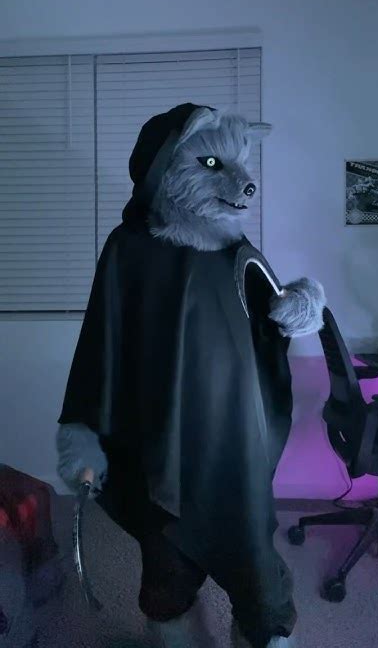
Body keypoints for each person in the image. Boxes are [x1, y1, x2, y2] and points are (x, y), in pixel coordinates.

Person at [56, 104, 326, 647]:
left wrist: (304, 302)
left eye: (241, 165)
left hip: (233, 440)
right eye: (212, 163)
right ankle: (173, 624)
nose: (242, 183)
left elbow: (274, 315)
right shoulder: (129, 249)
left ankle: (265, 630)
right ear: (163, 168)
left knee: (253, 559)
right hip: (156, 440)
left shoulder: (236, 250)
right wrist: (83, 435)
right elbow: (100, 343)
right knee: (165, 555)